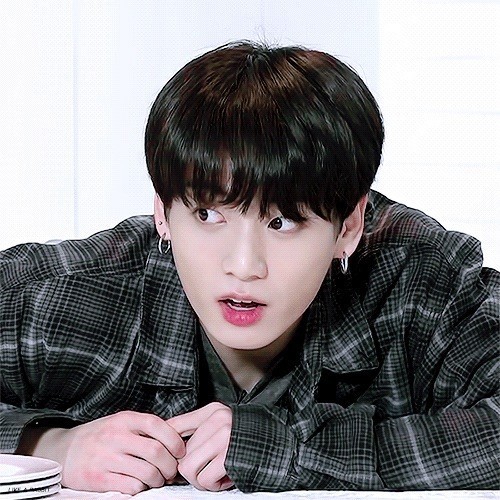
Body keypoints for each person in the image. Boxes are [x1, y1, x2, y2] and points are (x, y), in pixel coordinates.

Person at [0, 41, 498, 495]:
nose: (243, 266)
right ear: (162, 213)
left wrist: (285, 449)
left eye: (283, 222)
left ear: (349, 225)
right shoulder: (74, 294)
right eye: (207, 215)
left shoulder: (420, 278)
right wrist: (47, 445)